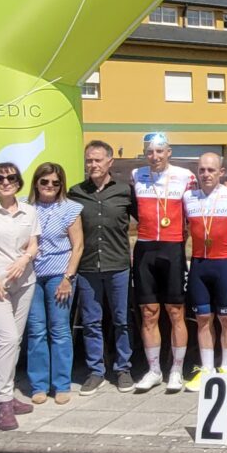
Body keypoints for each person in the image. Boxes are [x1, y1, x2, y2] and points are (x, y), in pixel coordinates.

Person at [131, 133, 196, 393]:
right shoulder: (136, 175)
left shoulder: (185, 176)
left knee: (175, 311)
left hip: (173, 248)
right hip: (146, 247)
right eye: (150, 152)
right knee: (148, 312)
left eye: (160, 151)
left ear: (169, 152)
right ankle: (154, 370)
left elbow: (196, 206)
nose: (155, 157)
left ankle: (177, 370)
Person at [69, 140, 136, 395]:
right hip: (87, 267)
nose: (93, 165)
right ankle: (96, 371)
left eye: (98, 160)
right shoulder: (76, 193)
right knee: (91, 321)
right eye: (89, 160)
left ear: (110, 161)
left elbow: (150, 218)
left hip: (118, 265)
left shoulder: (125, 192)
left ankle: (123, 368)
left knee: (121, 320)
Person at [182, 153, 227, 391]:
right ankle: (207, 368)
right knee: (202, 319)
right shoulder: (188, 197)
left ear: (221, 172)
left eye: (211, 170)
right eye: (202, 170)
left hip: (224, 264)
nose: (206, 174)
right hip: (198, 264)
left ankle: (226, 368)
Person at [25, 162, 84, 405]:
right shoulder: (26, 209)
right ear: (36, 183)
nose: (50, 186)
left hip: (59, 276)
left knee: (59, 331)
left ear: (61, 185)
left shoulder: (70, 209)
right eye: (45, 181)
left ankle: (61, 384)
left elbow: (78, 246)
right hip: (30, 278)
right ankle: (39, 384)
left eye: (55, 182)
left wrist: (67, 278)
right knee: (36, 331)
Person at [0, 163, 39, 430]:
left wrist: (25, 259)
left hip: (24, 282)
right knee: (8, 339)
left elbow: (34, 243)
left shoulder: (29, 211)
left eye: (11, 178)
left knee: (15, 341)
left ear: (19, 182)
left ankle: (8, 395)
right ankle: (3, 402)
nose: (5, 182)